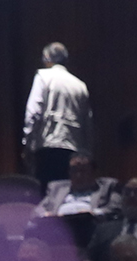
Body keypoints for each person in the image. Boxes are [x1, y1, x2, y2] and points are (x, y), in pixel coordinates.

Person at [22, 42, 93, 188]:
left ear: (47, 57)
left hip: (47, 147)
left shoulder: (43, 77)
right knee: (67, 193)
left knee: (47, 194)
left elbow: (33, 113)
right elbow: (88, 124)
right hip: (73, 150)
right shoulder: (80, 86)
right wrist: (86, 153)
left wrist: (28, 145)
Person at [40, 151, 120, 220]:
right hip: (60, 225)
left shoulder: (107, 187)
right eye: (74, 171)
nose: (78, 175)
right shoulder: (57, 188)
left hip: (89, 225)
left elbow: (115, 208)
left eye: (83, 171)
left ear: (94, 172)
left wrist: (93, 213)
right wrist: (45, 214)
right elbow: (39, 210)